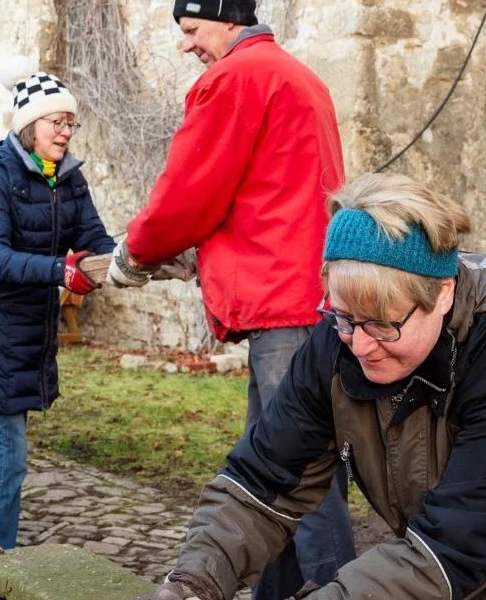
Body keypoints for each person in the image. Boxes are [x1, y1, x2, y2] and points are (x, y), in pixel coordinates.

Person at [141, 173, 486, 600]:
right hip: (471, 574)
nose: (360, 345)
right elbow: (263, 481)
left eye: (384, 324)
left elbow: (451, 548)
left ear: (443, 293)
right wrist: (195, 580)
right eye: (344, 317)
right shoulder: (338, 339)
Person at [108, 1, 353, 595]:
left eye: (192, 30)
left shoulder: (235, 77)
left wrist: (136, 250)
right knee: (269, 470)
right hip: (312, 294)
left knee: (300, 472)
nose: (186, 44)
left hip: (279, 297)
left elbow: (190, 190)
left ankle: (339, 589)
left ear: (227, 19)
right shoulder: (298, 75)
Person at [0, 67, 114, 553]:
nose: (65, 132)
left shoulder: (69, 178)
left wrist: (128, 262)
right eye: (55, 122)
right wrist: (60, 270)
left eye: (70, 123)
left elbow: (94, 239)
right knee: (7, 459)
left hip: (31, 338)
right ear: (28, 125)